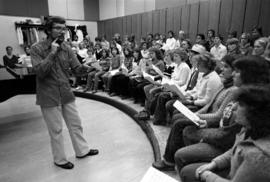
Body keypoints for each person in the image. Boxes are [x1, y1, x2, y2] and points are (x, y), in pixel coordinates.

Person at [30, 16, 99, 170]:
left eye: (64, 28)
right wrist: (52, 53)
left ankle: (82, 151)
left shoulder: (67, 47)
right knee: (56, 130)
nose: (62, 31)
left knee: (76, 124)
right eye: (58, 28)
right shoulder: (36, 49)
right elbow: (40, 72)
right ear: (48, 30)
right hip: (48, 95)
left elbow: (77, 69)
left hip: (66, 92)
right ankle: (60, 160)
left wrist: (88, 67)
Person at [194, 84, 270, 182]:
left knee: (189, 170)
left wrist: (207, 176)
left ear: (256, 113)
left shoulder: (259, 157)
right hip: (233, 169)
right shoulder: (248, 128)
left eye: (240, 105)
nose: (233, 108)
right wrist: (214, 163)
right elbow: (235, 149)